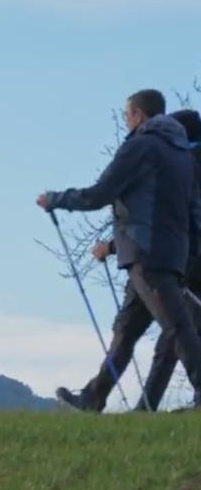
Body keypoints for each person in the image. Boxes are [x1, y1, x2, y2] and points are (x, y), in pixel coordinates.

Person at [40, 91, 201, 412]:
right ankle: (93, 397)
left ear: (139, 115)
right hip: (168, 254)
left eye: (127, 116)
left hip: (146, 253)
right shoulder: (182, 157)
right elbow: (189, 211)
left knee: (177, 328)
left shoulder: (142, 146)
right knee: (127, 330)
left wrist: (57, 199)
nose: (127, 122)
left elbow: (100, 194)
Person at [132, 108, 201, 411]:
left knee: (180, 331)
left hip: (190, 261)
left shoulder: (190, 166)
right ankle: (146, 406)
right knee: (174, 334)